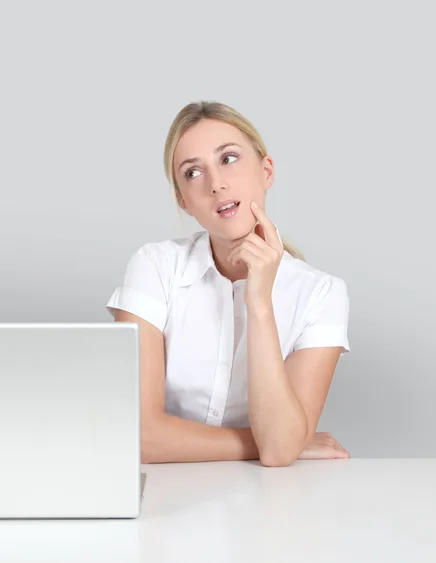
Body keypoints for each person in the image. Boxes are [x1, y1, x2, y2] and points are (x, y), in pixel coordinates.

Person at [106, 101, 351, 467]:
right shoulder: (154, 267)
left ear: (266, 170)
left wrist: (260, 303)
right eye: (192, 172)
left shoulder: (321, 294)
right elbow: (139, 437)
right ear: (183, 201)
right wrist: (276, 440)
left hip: (269, 506)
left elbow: (279, 453)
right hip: (166, 500)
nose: (216, 184)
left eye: (229, 159)